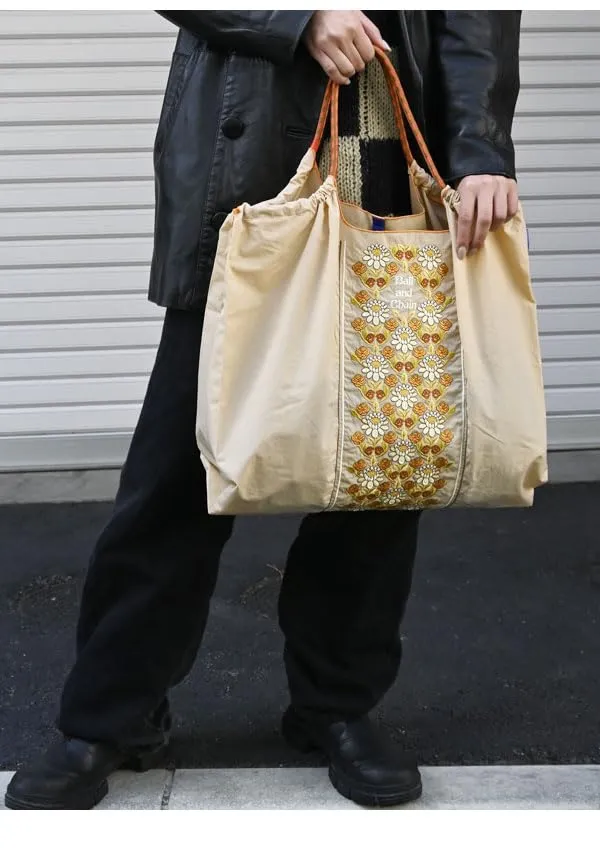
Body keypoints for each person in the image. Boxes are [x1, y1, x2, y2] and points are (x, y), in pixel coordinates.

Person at [6, 11, 521, 810]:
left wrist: (480, 146)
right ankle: (111, 714)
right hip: (245, 140)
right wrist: (296, 16)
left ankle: (334, 707)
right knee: (176, 472)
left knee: (379, 462)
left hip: (379, 129)